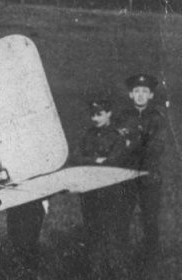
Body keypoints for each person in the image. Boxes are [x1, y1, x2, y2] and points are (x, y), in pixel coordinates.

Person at [115, 73, 167, 254]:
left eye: (145, 91)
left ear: (151, 95)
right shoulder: (122, 117)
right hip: (126, 174)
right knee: (122, 216)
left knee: (150, 217)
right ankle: (121, 252)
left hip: (148, 174)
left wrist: (132, 144)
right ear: (130, 94)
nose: (140, 95)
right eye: (136, 91)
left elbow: (156, 147)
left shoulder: (157, 118)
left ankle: (151, 254)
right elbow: (118, 145)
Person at [69, 99, 129, 254]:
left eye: (99, 114)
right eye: (92, 115)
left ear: (109, 113)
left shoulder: (117, 137)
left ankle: (113, 263)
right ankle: (94, 265)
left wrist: (90, 161)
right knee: (92, 226)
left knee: (110, 228)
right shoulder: (87, 135)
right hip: (90, 189)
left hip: (111, 191)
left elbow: (114, 161)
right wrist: (96, 160)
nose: (95, 119)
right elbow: (75, 157)